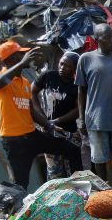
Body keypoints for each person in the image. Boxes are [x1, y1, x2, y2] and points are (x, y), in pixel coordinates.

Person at [0, 41, 81, 189]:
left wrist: (49, 125)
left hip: (32, 135)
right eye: (21, 55)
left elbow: (31, 111)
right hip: (14, 141)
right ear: (11, 59)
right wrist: (22, 63)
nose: (25, 56)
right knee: (20, 184)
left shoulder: (25, 82)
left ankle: (80, 192)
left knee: (72, 150)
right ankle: (14, 211)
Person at [75, 23, 112, 182]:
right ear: (97, 39)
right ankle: (103, 193)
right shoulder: (85, 59)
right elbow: (81, 91)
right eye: (108, 37)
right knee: (99, 159)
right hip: (96, 119)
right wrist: (81, 118)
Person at [30, 51, 82, 179]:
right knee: (54, 172)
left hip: (69, 132)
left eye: (68, 66)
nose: (62, 67)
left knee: (74, 171)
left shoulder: (76, 85)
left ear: (75, 69)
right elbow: (32, 93)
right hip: (49, 131)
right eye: (61, 63)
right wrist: (41, 117)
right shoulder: (48, 76)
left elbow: (78, 109)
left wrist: (57, 121)